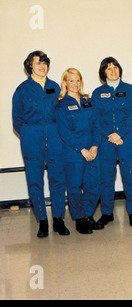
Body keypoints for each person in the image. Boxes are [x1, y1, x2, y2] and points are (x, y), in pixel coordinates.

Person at [12, 50, 68, 238]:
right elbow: (17, 120)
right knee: (35, 181)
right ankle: (42, 221)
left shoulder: (55, 87)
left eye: (44, 63)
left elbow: (62, 114)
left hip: (54, 137)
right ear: (30, 66)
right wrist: (30, 134)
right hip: (31, 138)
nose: (42, 66)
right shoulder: (22, 90)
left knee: (58, 180)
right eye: (38, 63)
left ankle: (58, 219)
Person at [92, 57, 132, 227]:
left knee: (131, 176)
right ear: (103, 72)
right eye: (108, 68)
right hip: (106, 141)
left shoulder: (130, 90)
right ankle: (107, 213)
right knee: (106, 178)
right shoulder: (97, 93)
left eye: (115, 67)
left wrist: (119, 134)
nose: (113, 71)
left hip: (126, 139)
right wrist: (110, 134)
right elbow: (96, 119)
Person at [56, 68, 103, 234]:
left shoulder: (88, 101)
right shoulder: (62, 105)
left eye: (77, 80)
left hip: (92, 151)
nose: (75, 84)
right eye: (71, 80)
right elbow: (64, 132)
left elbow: (97, 125)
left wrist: (95, 146)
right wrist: (81, 149)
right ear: (65, 83)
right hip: (73, 153)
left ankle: (88, 214)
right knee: (75, 187)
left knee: (94, 185)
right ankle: (79, 219)